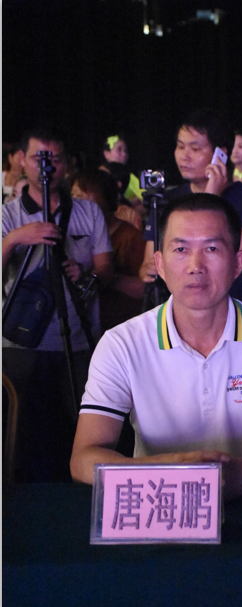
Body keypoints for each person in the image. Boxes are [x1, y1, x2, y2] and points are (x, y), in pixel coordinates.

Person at [70, 193, 242, 498]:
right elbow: (83, 458)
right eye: (181, 249)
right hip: (156, 506)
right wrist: (170, 470)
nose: (196, 265)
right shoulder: (122, 344)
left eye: (212, 248)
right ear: (159, 265)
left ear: (238, 263)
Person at [2, 128, 113, 482]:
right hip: (21, 341)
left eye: (56, 159)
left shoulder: (88, 212)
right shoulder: (7, 214)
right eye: (39, 158)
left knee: (78, 429)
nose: (47, 167)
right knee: (21, 433)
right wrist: (16, 238)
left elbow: (106, 269)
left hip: (78, 338)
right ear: (21, 160)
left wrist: (85, 273)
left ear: (67, 164)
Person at [139, 109, 242, 303]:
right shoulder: (166, 200)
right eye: (180, 146)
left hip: (229, 308)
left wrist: (212, 198)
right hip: (176, 310)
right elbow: (148, 263)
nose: (184, 156)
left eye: (195, 149)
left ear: (220, 154)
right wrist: (147, 270)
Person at [71, 168, 145, 331]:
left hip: (120, 325)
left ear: (105, 198)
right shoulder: (76, 234)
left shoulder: (129, 236)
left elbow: (144, 289)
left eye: (80, 196)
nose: (75, 203)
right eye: (72, 196)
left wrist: (104, 276)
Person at [102, 134, 143, 211]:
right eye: (119, 150)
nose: (124, 154)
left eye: (125, 151)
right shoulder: (97, 177)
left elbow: (146, 202)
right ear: (106, 154)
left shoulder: (130, 176)